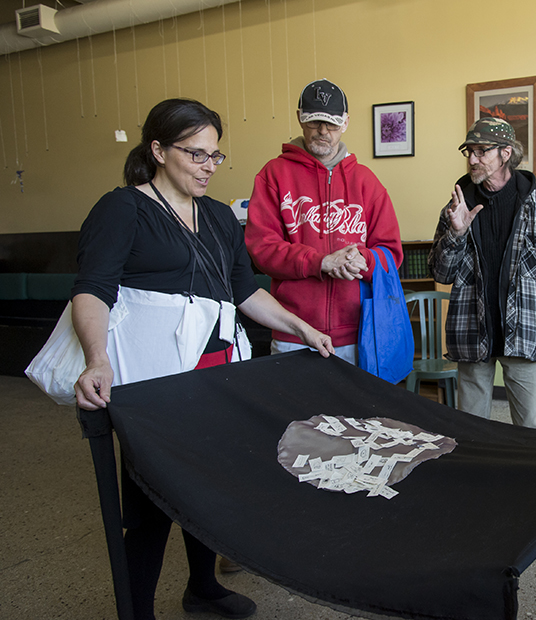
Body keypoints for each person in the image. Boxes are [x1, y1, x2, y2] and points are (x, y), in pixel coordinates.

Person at [72, 98, 335, 620]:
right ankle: (137, 609)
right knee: (152, 499)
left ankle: (202, 586)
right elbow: (93, 290)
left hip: (216, 370)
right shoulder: (123, 208)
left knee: (210, 483)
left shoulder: (216, 216)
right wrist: (96, 358)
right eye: (196, 155)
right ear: (158, 150)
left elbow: (243, 291)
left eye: (214, 157)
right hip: (154, 381)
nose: (208, 168)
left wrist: (301, 327)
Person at [429, 118, 536, 430]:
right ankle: (478, 480)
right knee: (471, 430)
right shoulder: (457, 207)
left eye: (481, 151)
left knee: (531, 429)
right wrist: (456, 233)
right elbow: (441, 272)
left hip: (526, 332)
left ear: (505, 153)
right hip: (471, 334)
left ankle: (533, 481)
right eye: (469, 152)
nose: (472, 159)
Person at [245, 79, 403, 364]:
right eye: (315, 122)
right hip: (292, 331)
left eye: (331, 124)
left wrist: (364, 260)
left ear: (345, 123)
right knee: (297, 410)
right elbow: (262, 248)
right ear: (300, 118)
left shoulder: (367, 181)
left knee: (358, 410)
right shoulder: (274, 175)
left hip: (359, 333)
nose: (322, 131)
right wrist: (320, 262)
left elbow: (391, 253)